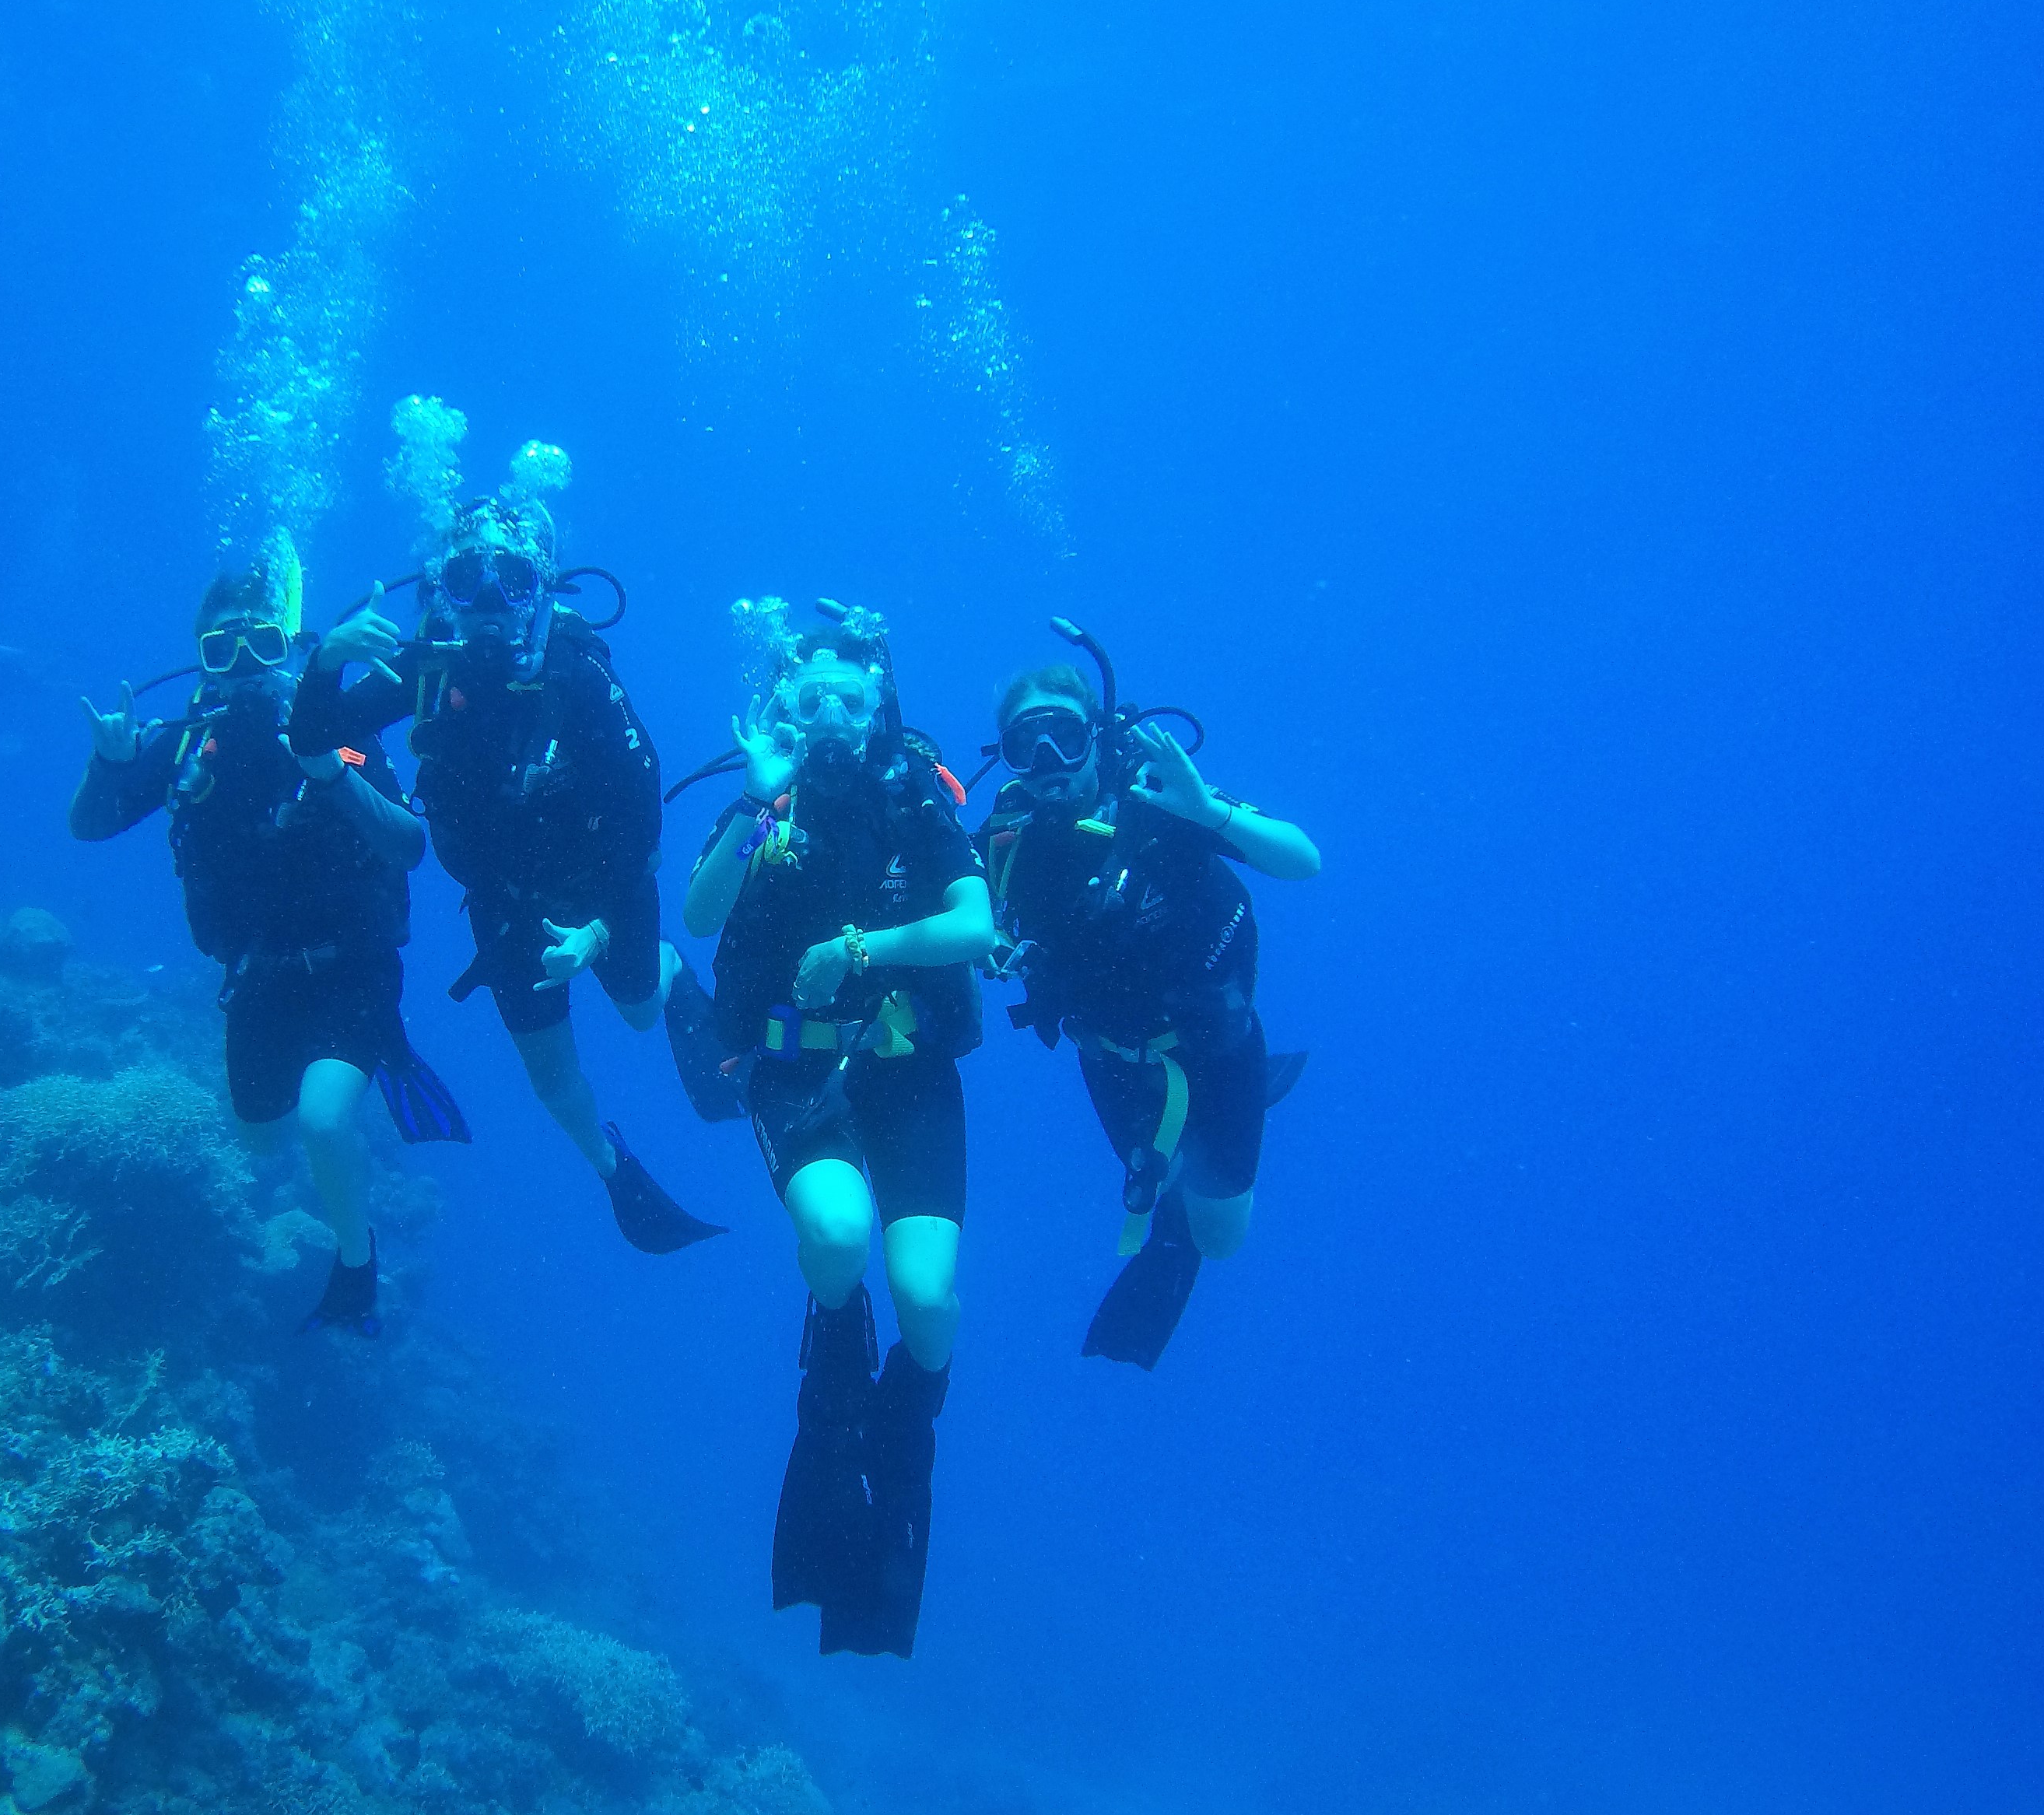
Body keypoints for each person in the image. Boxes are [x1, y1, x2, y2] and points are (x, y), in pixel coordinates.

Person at [685, 599, 992, 1658]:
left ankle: (905, 1415)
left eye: (849, 697)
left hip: (909, 1072)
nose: (827, 714)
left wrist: (861, 949)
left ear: (878, 706)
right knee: (836, 1235)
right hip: (792, 1067)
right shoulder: (764, 808)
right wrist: (752, 804)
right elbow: (696, 915)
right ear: (777, 706)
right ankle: (833, 1369)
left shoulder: (913, 791)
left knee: (932, 1300)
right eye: (805, 697)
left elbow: (977, 923)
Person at [71, 556, 451, 1338]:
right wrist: (107, 767)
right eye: (222, 653)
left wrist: (330, 775)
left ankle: (357, 1260)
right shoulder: (186, 749)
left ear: (293, 648)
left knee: (320, 1122)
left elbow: (412, 844)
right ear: (201, 659)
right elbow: (92, 823)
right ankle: (341, 1134)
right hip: (254, 978)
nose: (244, 669)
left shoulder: (331, 725)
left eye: (263, 646)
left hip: (353, 967)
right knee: (258, 1142)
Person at [344, 491, 729, 1251]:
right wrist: (328, 667)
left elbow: (642, 821)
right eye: (465, 580)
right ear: (440, 589)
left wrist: (599, 927)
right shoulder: (423, 673)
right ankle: (614, 1169)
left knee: (642, 1011)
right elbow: (321, 733)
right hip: (506, 907)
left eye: (513, 579)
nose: (489, 602)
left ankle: (662, 967)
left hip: (604, 889)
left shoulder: (577, 672)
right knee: (552, 1079)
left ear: (543, 584)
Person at [975, 631, 1320, 1368]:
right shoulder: (1007, 839)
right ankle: (1176, 1205)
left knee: (1221, 1241)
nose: (1046, 764)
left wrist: (1209, 813)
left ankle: (1252, 1100)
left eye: (1064, 736)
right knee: (1164, 1192)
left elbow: (1303, 858)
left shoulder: (1161, 799)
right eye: (1023, 744)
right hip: (1114, 1062)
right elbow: (959, 920)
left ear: (1097, 736)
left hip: (1219, 1050)